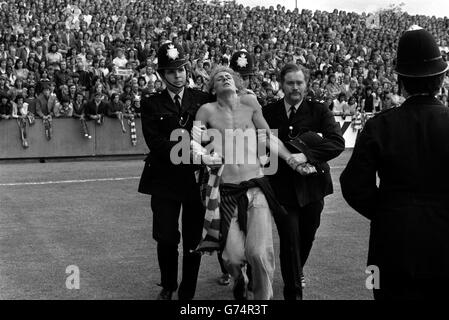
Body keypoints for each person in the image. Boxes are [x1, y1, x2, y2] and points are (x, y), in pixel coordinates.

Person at [340, 26, 449, 300]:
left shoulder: (380, 125)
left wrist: (387, 211)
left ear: (400, 80)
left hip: (390, 245)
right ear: (440, 79)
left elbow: (353, 185)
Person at [193, 66, 303, 300]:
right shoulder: (206, 110)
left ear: (236, 83)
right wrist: (204, 156)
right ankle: (239, 279)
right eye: (219, 78)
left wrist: (291, 159)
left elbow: (267, 137)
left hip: (256, 188)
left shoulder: (251, 103)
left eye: (228, 77)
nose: (224, 78)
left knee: (259, 253)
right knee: (231, 257)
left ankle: (262, 300)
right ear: (213, 88)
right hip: (225, 191)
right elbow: (193, 143)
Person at [263, 63, 345, 300]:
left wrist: (306, 154)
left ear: (306, 85)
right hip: (281, 189)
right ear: (281, 84)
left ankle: (297, 271)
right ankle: (293, 293)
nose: (295, 87)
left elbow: (336, 143)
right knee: (289, 241)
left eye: (299, 82)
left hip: (313, 188)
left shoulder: (319, 111)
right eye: (290, 83)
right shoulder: (268, 113)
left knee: (307, 236)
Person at [138, 42, 210, 300]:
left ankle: (187, 293)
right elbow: (154, 142)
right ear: (161, 75)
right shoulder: (150, 103)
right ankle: (168, 284)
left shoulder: (202, 99)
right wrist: (188, 147)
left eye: (181, 69)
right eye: (171, 71)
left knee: (193, 241)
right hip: (164, 179)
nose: (177, 75)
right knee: (166, 237)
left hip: (195, 180)